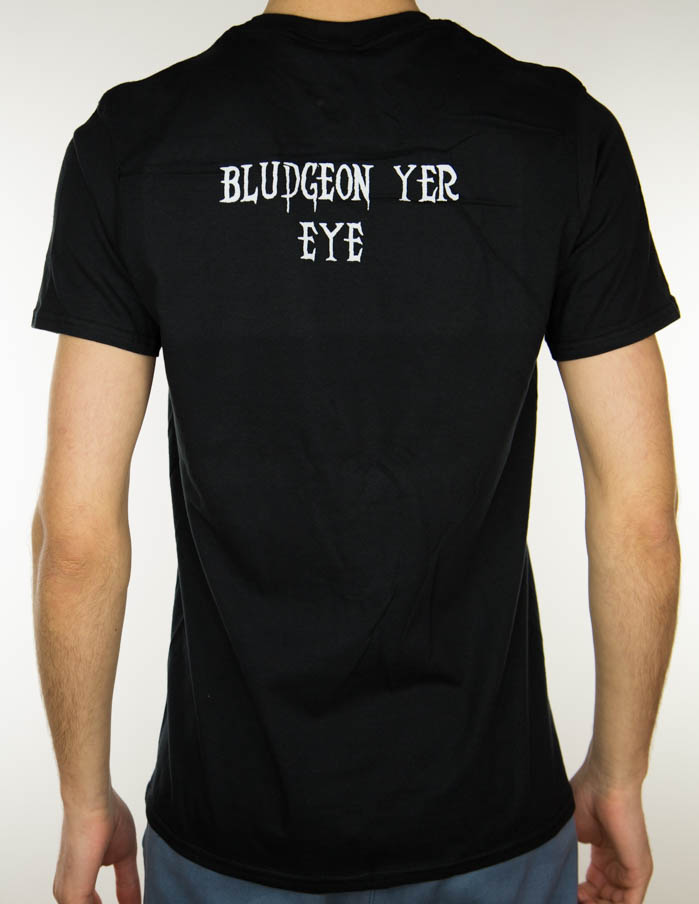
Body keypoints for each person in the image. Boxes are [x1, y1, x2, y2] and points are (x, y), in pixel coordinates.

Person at [29, 0, 681, 902]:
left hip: (228, 832)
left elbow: (74, 540)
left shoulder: (134, 140)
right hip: (486, 823)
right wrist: (618, 772)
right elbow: (641, 518)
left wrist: (80, 797)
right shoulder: (558, 131)